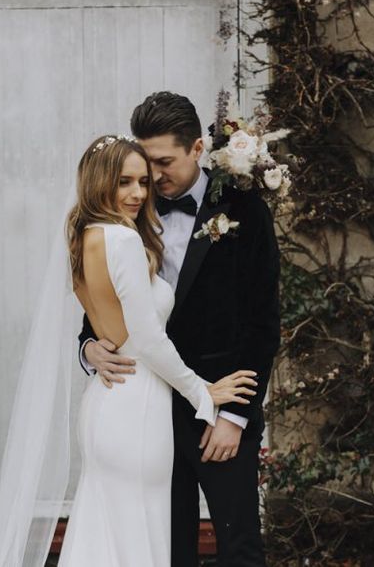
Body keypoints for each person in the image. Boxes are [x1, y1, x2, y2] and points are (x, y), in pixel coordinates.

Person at [78, 92, 281, 566]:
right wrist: (89, 346)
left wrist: (235, 416)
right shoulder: (126, 211)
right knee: (165, 549)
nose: (152, 177)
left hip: (220, 410)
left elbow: (262, 322)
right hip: (147, 412)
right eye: (146, 164)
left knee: (239, 547)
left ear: (196, 150)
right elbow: (103, 300)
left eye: (164, 162)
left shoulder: (245, 210)